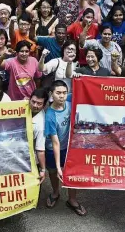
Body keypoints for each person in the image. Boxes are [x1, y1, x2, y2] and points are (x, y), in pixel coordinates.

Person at [45, 80, 87, 216]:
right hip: (53, 148)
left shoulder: (69, 101)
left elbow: (83, 91)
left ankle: (72, 199)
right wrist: (58, 167)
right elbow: (55, 142)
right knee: (53, 172)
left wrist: (79, 77)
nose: (62, 96)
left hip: (70, 147)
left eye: (64, 93)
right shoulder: (50, 115)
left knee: (72, 172)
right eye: (58, 93)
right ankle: (56, 192)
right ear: (52, 94)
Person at [30, 88, 49, 184]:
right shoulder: (22, 106)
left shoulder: (41, 124)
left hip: (31, 160)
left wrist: (42, 170)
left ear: (44, 105)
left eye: (39, 103)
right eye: (33, 101)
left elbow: (40, 150)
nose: (35, 105)